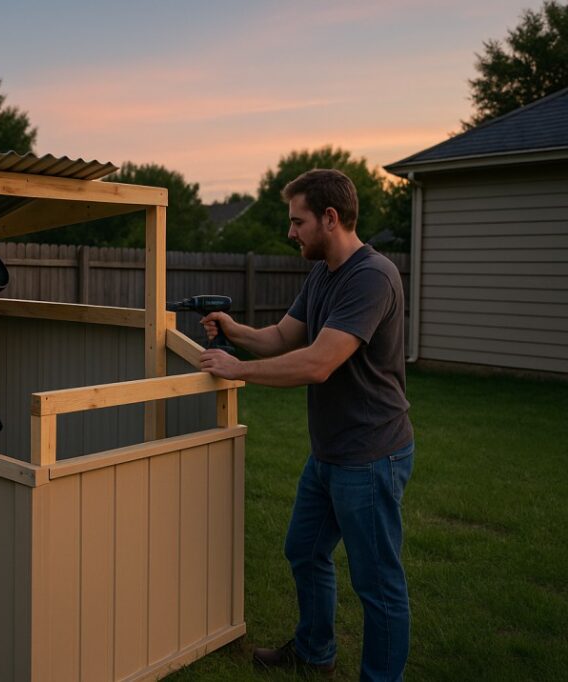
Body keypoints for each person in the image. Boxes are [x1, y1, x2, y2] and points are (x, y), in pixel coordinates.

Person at [199, 169, 414, 681]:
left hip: (372, 455)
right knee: (305, 549)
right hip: (331, 452)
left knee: (378, 584)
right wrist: (235, 331)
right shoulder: (322, 272)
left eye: (298, 222)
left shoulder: (372, 276)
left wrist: (238, 369)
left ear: (330, 218)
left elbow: (318, 362)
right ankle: (316, 652)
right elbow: (280, 337)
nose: (290, 232)